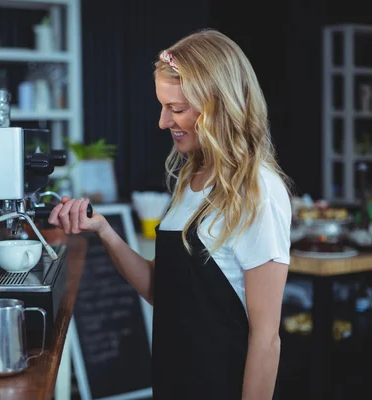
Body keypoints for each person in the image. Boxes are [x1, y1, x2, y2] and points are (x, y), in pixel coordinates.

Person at [48, 29, 291, 400]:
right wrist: (105, 231)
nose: (164, 122)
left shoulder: (256, 191)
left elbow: (266, 339)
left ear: (218, 106)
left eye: (177, 109)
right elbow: (161, 290)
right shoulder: (189, 179)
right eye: (163, 106)